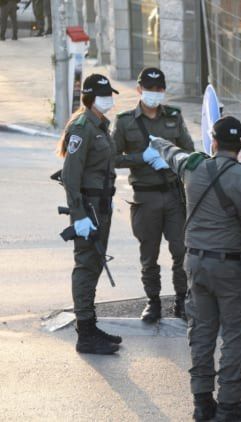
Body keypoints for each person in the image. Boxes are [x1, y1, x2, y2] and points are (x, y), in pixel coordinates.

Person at [149, 116, 241, 422]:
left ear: (213, 142)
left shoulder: (193, 167)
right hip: (232, 267)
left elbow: (171, 153)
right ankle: (229, 404)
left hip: (196, 264)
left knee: (201, 332)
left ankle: (202, 402)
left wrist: (156, 141)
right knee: (235, 335)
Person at [112, 67, 195, 323]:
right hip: (145, 197)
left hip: (173, 195)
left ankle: (182, 300)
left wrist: (170, 160)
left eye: (159, 89)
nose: (154, 94)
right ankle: (153, 301)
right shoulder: (125, 121)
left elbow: (189, 152)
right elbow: (112, 158)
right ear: (139, 90)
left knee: (181, 251)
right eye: (149, 89)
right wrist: (142, 158)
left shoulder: (174, 116)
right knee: (149, 254)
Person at [55, 74, 120, 355]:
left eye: (110, 94)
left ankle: (90, 326)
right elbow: (70, 176)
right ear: (91, 98)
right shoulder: (82, 128)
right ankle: (85, 333)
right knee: (86, 265)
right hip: (88, 208)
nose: (109, 99)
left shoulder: (100, 126)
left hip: (101, 205)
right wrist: (79, 215)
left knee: (94, 264)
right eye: (104, 95)